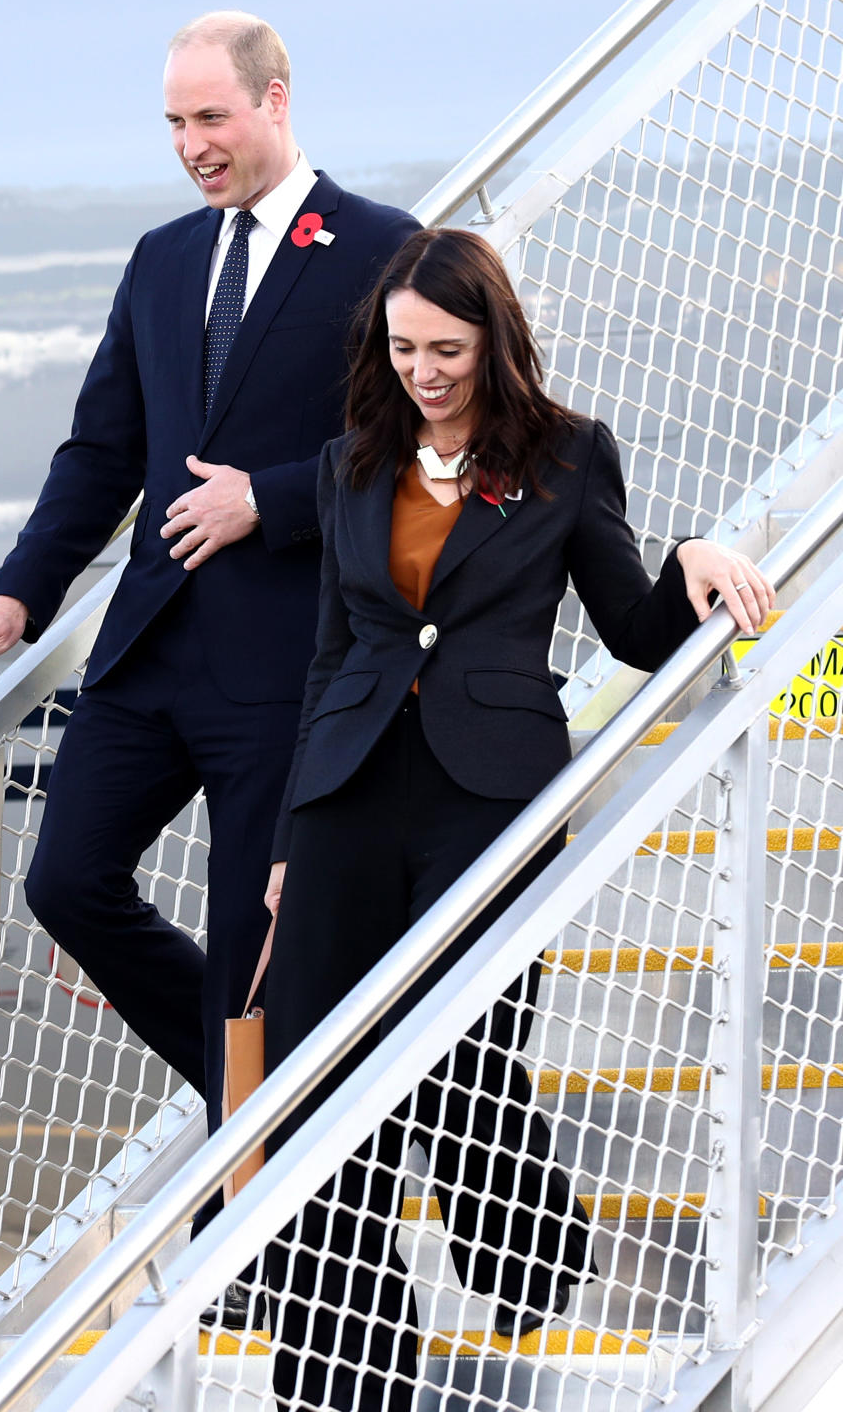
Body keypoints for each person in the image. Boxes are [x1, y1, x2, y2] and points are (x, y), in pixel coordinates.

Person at [0, 11, 419, 1304]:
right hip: (150, 658)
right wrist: (16, 597)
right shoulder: (159, 262)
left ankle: (316, 1272)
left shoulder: (379, 253)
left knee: (258, 971)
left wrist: (276, 497)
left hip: (288, 669)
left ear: (275, 101)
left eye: (212, 118)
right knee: (69, 882)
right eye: (176, 126)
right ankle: (258, 1114)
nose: (193, 147)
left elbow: (414, 454)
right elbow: (100, 454)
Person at [259, 227, 774, 1411]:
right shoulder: (350, 463)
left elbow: (636, 633)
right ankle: (340, 1376)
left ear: (493, 338)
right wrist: (289, 838)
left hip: (486, 795)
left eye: (446, 347)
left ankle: (527, 1258)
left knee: (461, 1049)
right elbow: (332, 657)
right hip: (343, 793)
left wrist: (693, 553)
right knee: (313, 1084)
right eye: (404, 349)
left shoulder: (566, 455)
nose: (425, 371)